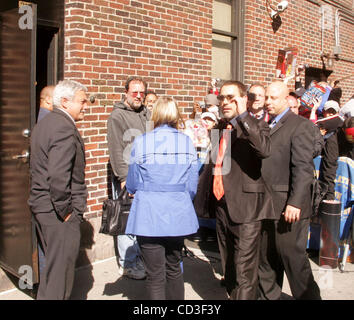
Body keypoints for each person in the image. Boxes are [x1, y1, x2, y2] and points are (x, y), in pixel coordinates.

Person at [195, 80, 275, 299]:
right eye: (222, 98)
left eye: (231, 97)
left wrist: (242, 117)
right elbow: (216, 163)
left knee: (244, 271)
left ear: (244, 100)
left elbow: (264, 149)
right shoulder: (220, 127)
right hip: (222, 205)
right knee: (229, 265)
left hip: (247, 209)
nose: (225, 102)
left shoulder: (257, 125)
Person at [125, 97, 199, 300]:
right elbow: (192, 185)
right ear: (176, 115)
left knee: (155, 275)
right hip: (177, 211)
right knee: (174, 268)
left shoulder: (141, 141)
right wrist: (181, 198)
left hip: (149, 212)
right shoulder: (186, 141)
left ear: (155, 115)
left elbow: (132, 182)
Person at [258, 81, 321, 300]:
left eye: (273, 98)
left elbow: (303, 168)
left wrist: (294, 202)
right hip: (265, 205)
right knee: (266, 260)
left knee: (293, 261)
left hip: (289, 207)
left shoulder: (300, 126)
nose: (267, 102)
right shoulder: (265, 125)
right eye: (266, 97)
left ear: (287, 100)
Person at [28, 80, 88, 299]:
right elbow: (58, 175)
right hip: (57, 213)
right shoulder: (63, 127)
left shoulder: (45, 123)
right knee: (59, 276)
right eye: (81, 101)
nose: (85, 106)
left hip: (44, 207)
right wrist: (66, 210)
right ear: (65, 101)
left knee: (53, 272)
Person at [107, 76, 149, 280]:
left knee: (139, 219)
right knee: (126, 218)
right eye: (135, 92)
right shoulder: (117, 116)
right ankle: (127, 263)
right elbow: (116, 149)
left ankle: (139, 257)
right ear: (126, 93)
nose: (139, 96)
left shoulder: (146, 114)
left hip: (145, 175)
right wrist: (123, 177)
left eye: (142, 92)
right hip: (127, 175)